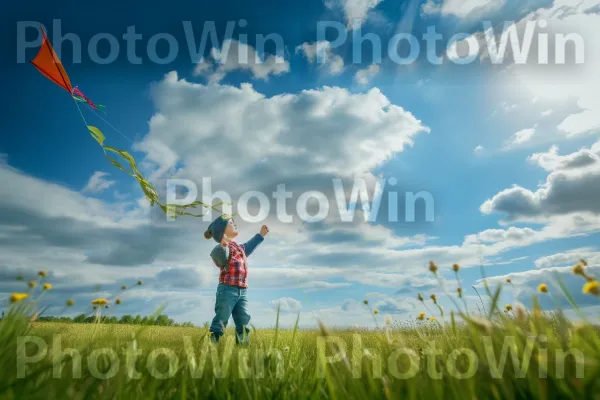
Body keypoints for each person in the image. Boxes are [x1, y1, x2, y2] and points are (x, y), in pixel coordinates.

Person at [204, 214, 269, 344]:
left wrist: (260, 235)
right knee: (222, 317)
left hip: (242, 291)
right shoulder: (223, 248)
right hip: (227, 289)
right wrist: (223, 245)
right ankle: (213, 341)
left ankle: (243, 345)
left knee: (243, 319)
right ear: (222, 231)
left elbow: (250, 246)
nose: (234, 224)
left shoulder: (239, 248)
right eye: (231, 223)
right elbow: (219, 259)